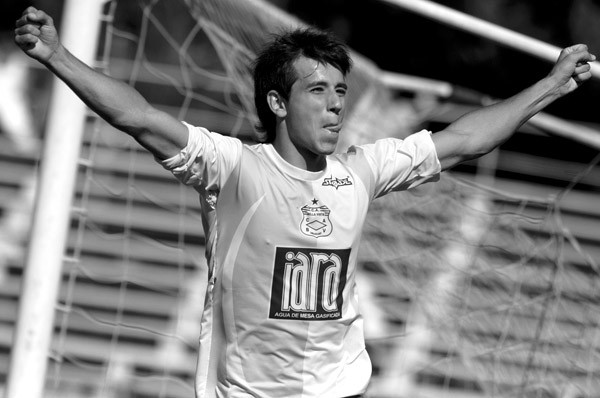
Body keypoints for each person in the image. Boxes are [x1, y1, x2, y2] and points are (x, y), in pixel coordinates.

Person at [14, 6, 595, 398]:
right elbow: (138, 116)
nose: (336, 104)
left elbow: (466, 139)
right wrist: (56, 55)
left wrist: (551, 85)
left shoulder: (362, 170)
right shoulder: (231, 166)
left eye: (340, 91)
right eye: (318, 90)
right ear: (279, 102)